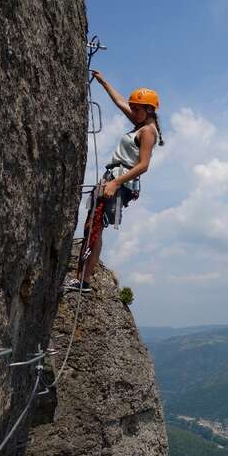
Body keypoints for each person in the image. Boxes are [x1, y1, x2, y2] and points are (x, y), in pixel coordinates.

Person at [64, 70, 164, 292]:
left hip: (120, 182)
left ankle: (83, 281)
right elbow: (120, 102)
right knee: (92, 224)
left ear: (148, 110)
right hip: (114, 178)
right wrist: (103, 81)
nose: (133, 111)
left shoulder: (148, 131)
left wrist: (115, 183)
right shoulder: (140, 123)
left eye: (137, 108)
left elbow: (143, 165)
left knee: (94, 226)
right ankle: (82, 279)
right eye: (134, 108)